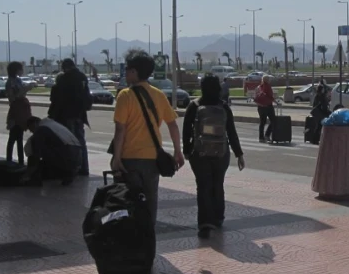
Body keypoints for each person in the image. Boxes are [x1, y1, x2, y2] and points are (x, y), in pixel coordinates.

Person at [110, 52, 185, 237]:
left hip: (130, 159)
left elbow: (120, 130)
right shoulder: (158, 95)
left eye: (127, 70)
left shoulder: (125, 96)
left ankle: (132, 240)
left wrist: (116, 158)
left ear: (134, 72)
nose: (125, 73)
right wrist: (178, 151)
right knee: (150, 202)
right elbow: (173, 124)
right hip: (152, 159)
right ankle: (148, 239)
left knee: (130, 201)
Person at [182, 74, 245, 239]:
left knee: (203, 186)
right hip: (221, 153)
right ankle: (218, 218)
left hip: (199, 153)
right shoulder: (223, 107)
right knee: (218, 184)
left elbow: (186, 130)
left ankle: (204, 223)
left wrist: (187, 150)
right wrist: (239, 154)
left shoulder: (194, 105)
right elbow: (231, 132)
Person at [48, 58, 92, 176]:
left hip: (67, 114)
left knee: (70, 142)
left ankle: (72, 168)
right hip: (80, 114)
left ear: (65, 67)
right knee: (81, 140)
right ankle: (84, 167)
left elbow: (59, 99)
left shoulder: (64, 79)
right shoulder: (82, 77)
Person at [22, 117, 82, 186]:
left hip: (66, 159)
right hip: (77, 160)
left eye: (30, 129)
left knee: (35, 150)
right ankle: (68, 174)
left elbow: (35, 154)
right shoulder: (53, 124)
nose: (31, 131)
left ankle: (35, 179)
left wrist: (28, 173)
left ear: (35, 124)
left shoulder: (41, 130)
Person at [5, 61, 32, 164]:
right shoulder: (10, 82)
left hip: (21, 111)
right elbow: (13, 98)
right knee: (13, 137)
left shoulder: (18, 80)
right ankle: (9, 160)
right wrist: (25, 89)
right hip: (16, 111)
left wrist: (26, 89)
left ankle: (20, 161)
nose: (22, 71)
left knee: (19, 138)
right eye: (21, 69)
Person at [254, 74, 275, 142]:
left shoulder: (258, 87)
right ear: (268, 80)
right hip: (268, 106)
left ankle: (261, 137)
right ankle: (267, 135)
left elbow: (255, 98)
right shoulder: (268, 86)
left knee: (262, 122)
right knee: (273, 121)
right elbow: (270, 96)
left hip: (260, 107)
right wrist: (276, 102)